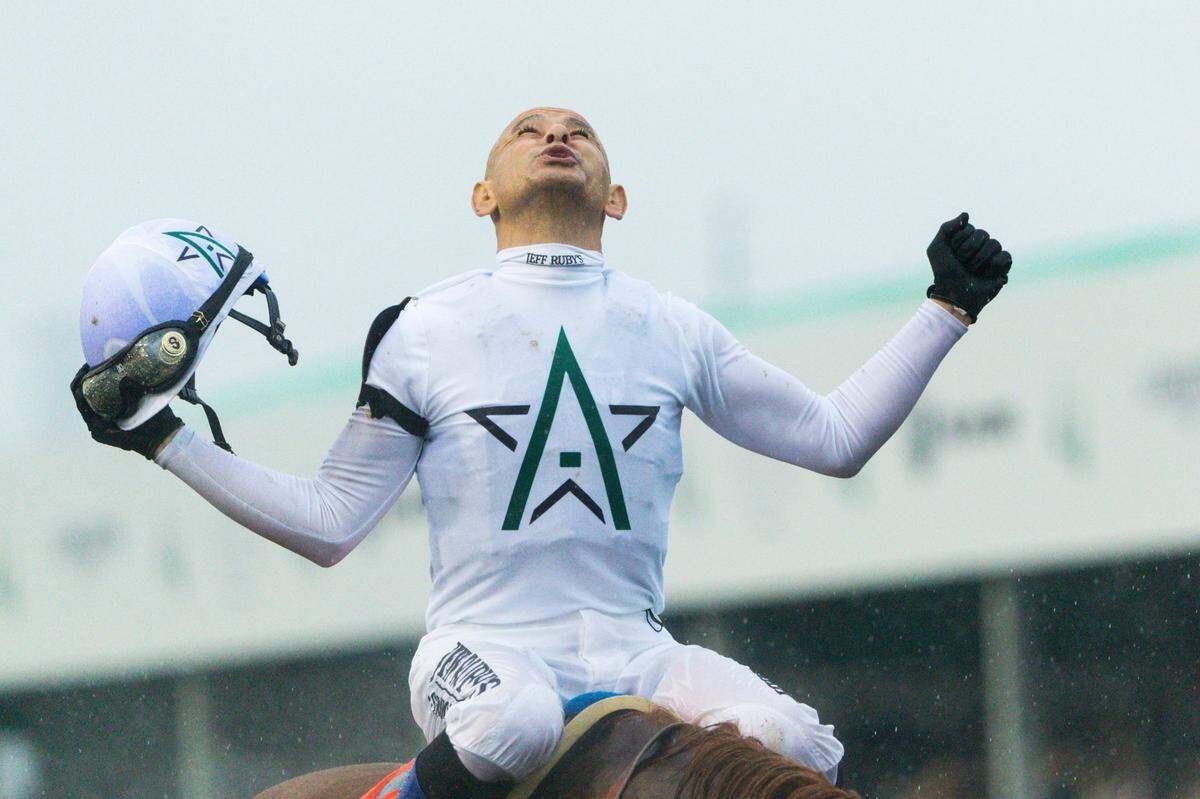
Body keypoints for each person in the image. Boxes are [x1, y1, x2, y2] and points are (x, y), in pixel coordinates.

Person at [72, 107, 1012, 798]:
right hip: (482, 653)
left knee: (797, 745)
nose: (557, 136)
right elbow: (329, 524)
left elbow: (836, 439)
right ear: (482, 195)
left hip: (634, 649)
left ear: (618, 195)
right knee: (510, 725)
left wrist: (945, 311)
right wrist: (161, 437)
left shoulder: (673, 325)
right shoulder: (422, 325)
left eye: (581, 131)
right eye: (528, 130)